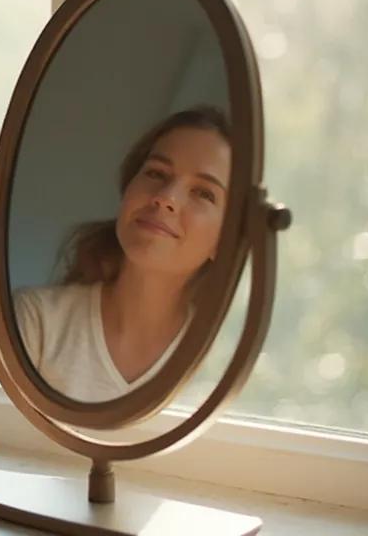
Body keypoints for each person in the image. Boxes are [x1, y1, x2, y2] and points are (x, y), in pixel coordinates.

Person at [13, 106, 231, 403]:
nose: (166, 197)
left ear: (226, 240)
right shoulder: (35, 321)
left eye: (203, 193)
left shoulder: (225, 366)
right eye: (156, 173)